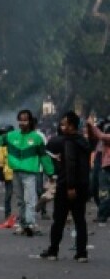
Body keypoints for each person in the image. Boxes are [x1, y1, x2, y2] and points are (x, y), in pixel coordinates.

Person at [0, 109, 52, 237]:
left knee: (29, 199)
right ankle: (24, 224)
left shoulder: (37, 138)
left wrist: (51, 172)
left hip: (30, 173)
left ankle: (30, 223)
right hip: (16, 172)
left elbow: (43, 156)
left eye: (25, 120)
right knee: (20, 200)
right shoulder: (12, 136)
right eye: (21, 120)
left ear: (30, 121)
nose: (23, 122)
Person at [39, 111, 90, 262]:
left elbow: (70, 164)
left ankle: (53, 251)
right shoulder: (83, 142)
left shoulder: (67, 142)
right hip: (82, 185)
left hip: (68, 185)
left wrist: (70, 186)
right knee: (80, 220)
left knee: (59, 220)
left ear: (71, 126)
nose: (61, 127)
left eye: (64, 124)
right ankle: (81, 253)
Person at [86, 118, 110, 225]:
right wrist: (90, 127)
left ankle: (102, 215)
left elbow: (101, 136)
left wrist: (92, 125)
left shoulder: (105, 136)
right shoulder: (102, 131)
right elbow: (93, 136)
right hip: (99, 160)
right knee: (94, 187)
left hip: (107, 163)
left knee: (104, 190)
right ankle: (102, 210)